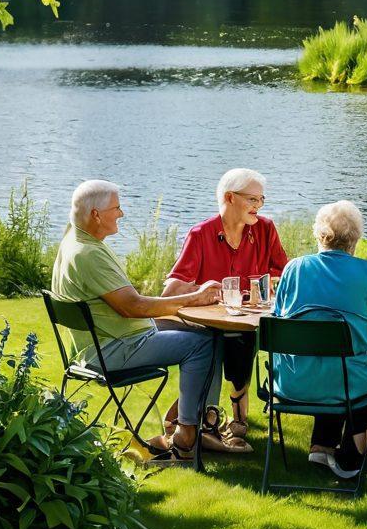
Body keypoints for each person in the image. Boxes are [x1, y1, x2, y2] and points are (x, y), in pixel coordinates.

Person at [50, 180, 222, 461]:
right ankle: (187, 435)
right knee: (205, 344)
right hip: (114, 348)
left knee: (204, 332)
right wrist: (192, 299)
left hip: (105, 341)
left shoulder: (75, 240)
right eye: (116, 208)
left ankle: (192, 420)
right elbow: (134, 306)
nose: (122, 214)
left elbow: (132, 306)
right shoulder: (89, 254)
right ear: (96, 215)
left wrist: (181, 307)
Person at [271, 200, 367, 480]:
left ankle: (321, 446)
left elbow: (279, 319)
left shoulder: (293, 269)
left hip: (293, 381)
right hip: (347, 382)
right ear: (355, 239)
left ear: (319, 235)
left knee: (331, 361)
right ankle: (351, 455)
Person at [160, 168, 289, 443]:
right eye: (252, 199)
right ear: (230, 197)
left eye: (261, 200)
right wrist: (203, 291)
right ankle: (214, 415)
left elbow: (286, 273)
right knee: (223, 339)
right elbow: (171, 290)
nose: (259, 206)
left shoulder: (265, 229)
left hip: (248, 318)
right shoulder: (201, 234)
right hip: (207, 321)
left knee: (241, 337)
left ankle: (217, 414)